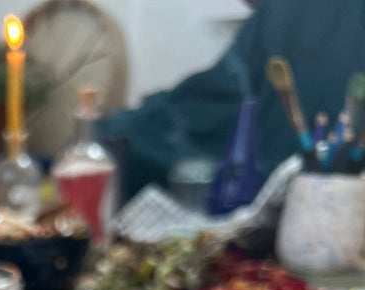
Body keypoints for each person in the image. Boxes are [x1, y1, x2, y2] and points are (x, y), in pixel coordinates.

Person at [97, 0, 365, 199]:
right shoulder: (280, 16)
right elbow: (217, 91)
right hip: (236, 133)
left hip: (309, 176)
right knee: (112, 136)